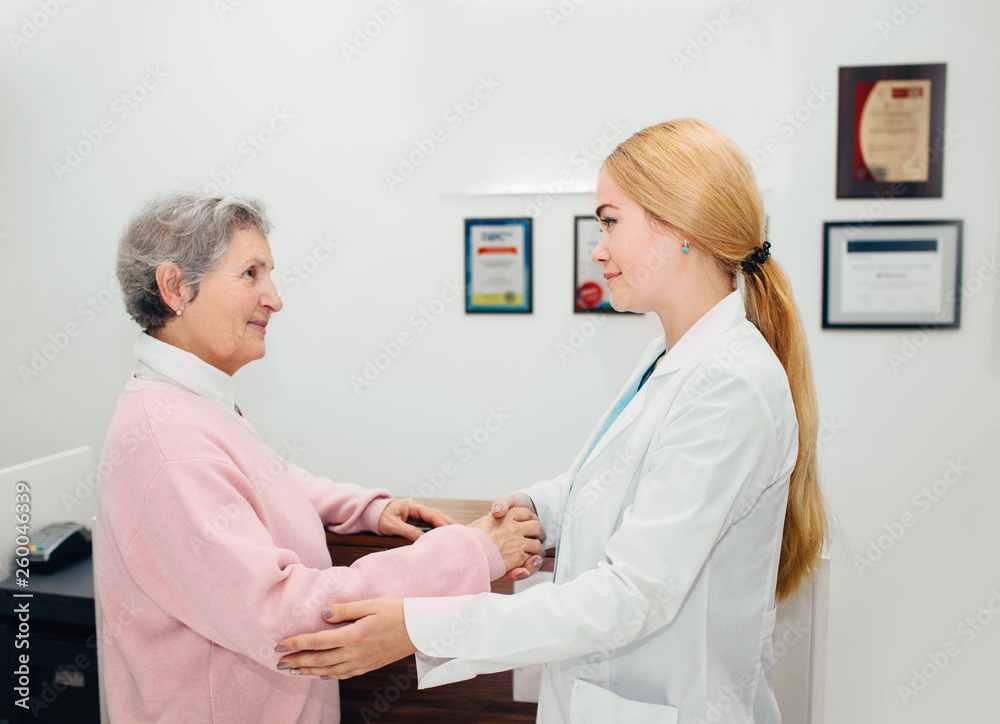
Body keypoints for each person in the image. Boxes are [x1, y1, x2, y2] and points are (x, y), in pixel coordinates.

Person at [274, 119, 829, 724]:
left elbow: (631, 596)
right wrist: (538, 509)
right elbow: (614, 479)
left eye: (610, 222)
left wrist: (421, 625)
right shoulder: (669, 357)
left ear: (680, 227)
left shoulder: (730, 386)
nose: (597, 250)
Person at [93, 192, 545, 724]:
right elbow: (284, 615)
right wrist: (472, 551)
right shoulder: (168, 443)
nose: (274, 299)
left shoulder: (188, 405)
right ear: (175, 288)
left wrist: (366, 509)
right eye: (251, 274)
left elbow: (257, 479)